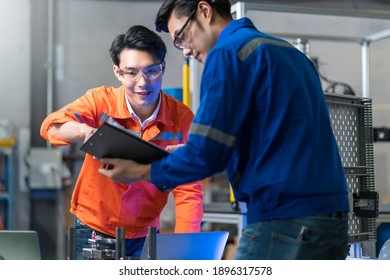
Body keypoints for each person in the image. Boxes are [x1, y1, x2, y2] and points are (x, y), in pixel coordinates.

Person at [98, 0, 350, 260]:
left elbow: (207, 156)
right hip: (333, 220)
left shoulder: (228, 54)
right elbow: (277, 136)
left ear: (205, 11)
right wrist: (192, 150)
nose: (184, 50)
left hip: (284, 219)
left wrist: (142, 171)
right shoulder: (291, 54)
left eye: (182, 36)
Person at [40, 25, 204, 259]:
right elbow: (51, 126)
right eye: (131, 72)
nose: (142, 82)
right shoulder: (100, 102)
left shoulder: (181, 118)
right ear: (118, 72)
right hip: (93, 227)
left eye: (151, 71)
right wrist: (82, 130)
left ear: (164, 67)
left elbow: (188, 187)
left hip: (146, 232)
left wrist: (186, 249)